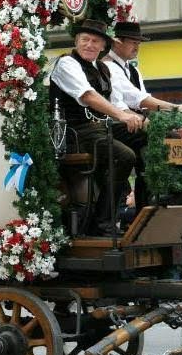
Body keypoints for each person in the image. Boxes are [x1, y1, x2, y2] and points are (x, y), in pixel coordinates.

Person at [49, 19, 144, 236]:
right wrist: (121, 115)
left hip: (100, 128)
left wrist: (142, 120)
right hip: (75, 132)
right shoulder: (67, 63)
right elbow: (88, 96)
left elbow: (120, 103)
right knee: (124, 155)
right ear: (76, 41)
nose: (89, 45)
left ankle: (145, 206)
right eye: (85, 40)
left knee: (143, 138)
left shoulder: (102, 68)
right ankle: (103, 223)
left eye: (95, 41)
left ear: (103, 46)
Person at [103, 21, 182, 211]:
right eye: (132, 42)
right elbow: (138, 100)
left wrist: (164, 117)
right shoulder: (108, 67)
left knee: (163, 139)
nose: (137, 47)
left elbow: (141, 101)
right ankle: (170, 190)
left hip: (133, 122)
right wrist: (175, 108)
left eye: (139, 43)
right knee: (166, 137)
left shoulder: (133, 70)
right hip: (113, 125)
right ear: (117, 42)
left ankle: (153, 198)